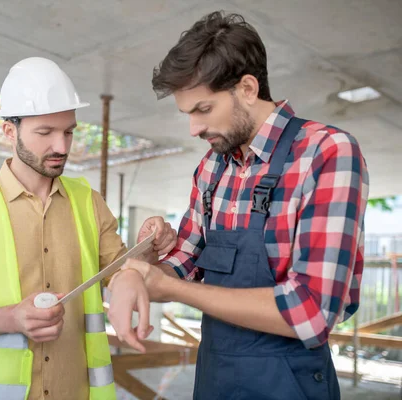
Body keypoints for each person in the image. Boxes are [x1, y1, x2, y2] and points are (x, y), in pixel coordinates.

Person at [107, 12, 369, 400]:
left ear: (247, 88)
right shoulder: (211, 168)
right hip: (215, 378)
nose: (193, 129)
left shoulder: (326, 153)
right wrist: (138, 271)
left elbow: (311, 312)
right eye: (187, 114)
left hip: (290, 383)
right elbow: (183, 263)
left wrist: (172, 290)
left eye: (203, 109)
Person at [0, 57, 177, 400]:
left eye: (68, 131)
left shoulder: (89, 203)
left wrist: (147, 253)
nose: (62, 146)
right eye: (45, 133)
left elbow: (123, 275)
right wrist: (11, 318)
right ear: (9, 132)